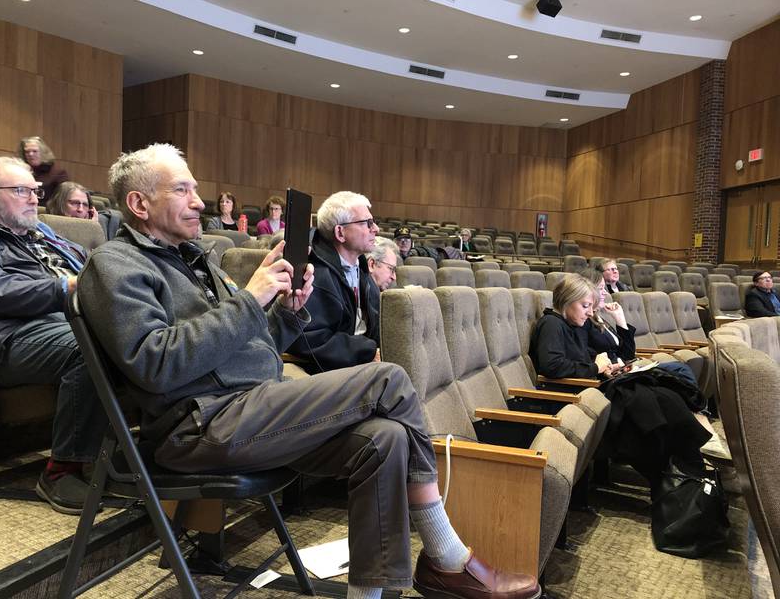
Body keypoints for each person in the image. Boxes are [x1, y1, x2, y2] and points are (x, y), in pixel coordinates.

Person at [77, 144, 539, 599]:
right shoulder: (115, 264)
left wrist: (289, 316)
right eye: (183, 190)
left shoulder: (196, 261)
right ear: (139, 203)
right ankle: (447, 557)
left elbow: (254, 349)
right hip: (198, 426)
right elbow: (156, 365)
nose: (200, 201)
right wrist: (249, 299)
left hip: (252, 409)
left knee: (386, 439)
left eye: (196, 189)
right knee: (389, 377)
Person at [0, 157, 106, 514]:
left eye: (35, 190)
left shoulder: (43, 236)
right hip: (13, 335)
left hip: (69, 320)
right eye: (21, 191)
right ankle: (60, 470)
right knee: (89, 348)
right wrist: (64, 287)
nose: (34, 198)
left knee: (148, 334)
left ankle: (131, 454)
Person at [530, 273, 713, 487]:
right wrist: (595, 367)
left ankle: (685, 464)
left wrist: (605, 367)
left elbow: (581, 357)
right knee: (649, 402)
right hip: (570, 394)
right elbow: (551, 366)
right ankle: (672, 471)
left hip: (591, 385)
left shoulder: (573, 325)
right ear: (567, 301)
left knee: (665, 396)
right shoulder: (551, 324)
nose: (590, 312)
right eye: (585, 306)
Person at [286, 191, 381, 371]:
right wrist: (367, 350)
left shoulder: (361, 268)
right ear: (340, 232)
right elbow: (311, 339)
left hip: (360, 364)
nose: (375, 228)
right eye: (367, 223)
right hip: (330, 371)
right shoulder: (315, 274)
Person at [18, 136, 69, 205]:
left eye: (34, 151)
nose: (30, 154)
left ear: (43, 152)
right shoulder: (20, 171)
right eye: (27, 152)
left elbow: (63, 199)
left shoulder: (58, 173)